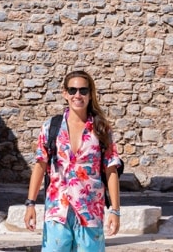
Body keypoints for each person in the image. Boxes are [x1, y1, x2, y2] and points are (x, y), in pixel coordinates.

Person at [24, 70, 121, 252]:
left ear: (90, 94)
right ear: (65, 93)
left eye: (83, 91)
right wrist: (30, 204)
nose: (78, 95)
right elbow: (40, 166)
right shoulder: (50, 127)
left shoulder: (101, 130)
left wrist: (115, 211)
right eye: (73, 90)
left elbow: (111, 170)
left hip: (90, 211)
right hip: (57, 211)